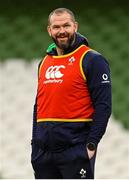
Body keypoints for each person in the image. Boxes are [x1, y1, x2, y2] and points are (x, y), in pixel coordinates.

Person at [31, 7, 112, 179]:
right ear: (49, 30)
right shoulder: (44, 62)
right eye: (56, 27)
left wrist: (91, 145)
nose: (62, 31)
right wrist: (35, 144)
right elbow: (38, 106)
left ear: (75, 26)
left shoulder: (92, 60)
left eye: (66, 26)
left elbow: (103, 107)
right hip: (43, 154)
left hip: (75, 152)